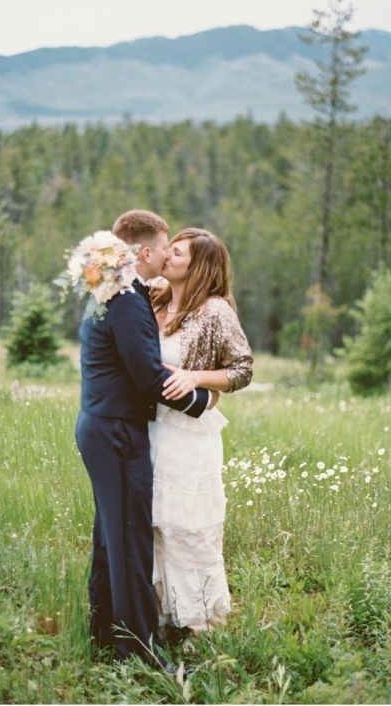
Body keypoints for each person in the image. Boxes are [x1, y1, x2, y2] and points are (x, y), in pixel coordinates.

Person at [74, 210, 216, 670]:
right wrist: (203, 403)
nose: (165, 254)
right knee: (131, 543)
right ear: (145, 251)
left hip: (101, 424)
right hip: (117, 432)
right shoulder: (129, 300)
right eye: (162, 245)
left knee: (109, 540)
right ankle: (141, 657)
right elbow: (148, 377)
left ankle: (106, 638)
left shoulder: (108, 289)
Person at [148, 227, 253, 639]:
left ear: (200, 266)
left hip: (188, 434)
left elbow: (242, 369)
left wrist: (195, 377)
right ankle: (159, 618)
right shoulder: (155, 296)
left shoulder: (214, 310)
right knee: (154, 525)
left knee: (186, 529)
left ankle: (199, 625)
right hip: (150, 429)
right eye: (167, 248)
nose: (167, 255)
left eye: (176, 252)